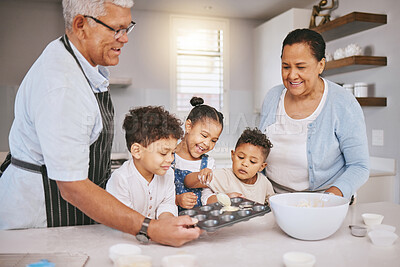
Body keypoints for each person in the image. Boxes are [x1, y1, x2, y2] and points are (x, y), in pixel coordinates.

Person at [0, 0, 200, 247]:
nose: (124, 39)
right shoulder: (62, 85)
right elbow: (72, 187)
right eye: (116, 29)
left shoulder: (81, 65)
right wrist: (151, 227)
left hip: (66, 216)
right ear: (81, 25)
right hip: (41, 219)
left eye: (128, 28)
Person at [259, 28, 369, 201]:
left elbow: (359, 166)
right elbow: (259, 149)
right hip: (273, 200)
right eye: (286, 66)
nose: (292, 75)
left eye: (301, 67)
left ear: (321, 65)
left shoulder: (343, 103)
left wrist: (330, 198)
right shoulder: (273, 97)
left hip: (324, 201)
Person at [106, 106, 183, 219]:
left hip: (153, 233)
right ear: (137, 151)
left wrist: (168, 223)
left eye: (173, 153)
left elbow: (167, 205)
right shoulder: (121, 179)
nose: (170, 159)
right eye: (163, 153)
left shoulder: (168, 174)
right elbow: (125, 218)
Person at [185, 128, 275, 205]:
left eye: (252, 161)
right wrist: (201, 175)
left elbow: (273, 203)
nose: (245, 164)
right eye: (241, 157)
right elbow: (188, 182)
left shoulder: (264, 182)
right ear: (233, 155)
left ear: (261, 167)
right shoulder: (224, 176)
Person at [173, 97, 224, 211]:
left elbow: (206, 195)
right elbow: (157, 195)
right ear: (188, 126)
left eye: (213, 140)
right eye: (204, 135)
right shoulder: (168, 156)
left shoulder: (208, 164)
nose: (207, 143)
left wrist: (224, 198)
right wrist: (177, 199)